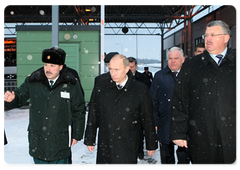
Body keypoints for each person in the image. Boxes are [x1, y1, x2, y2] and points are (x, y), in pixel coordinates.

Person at [2, 47, 86, 165]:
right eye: (46, 65)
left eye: (53, 66)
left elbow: (79, 110)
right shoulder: (33, 80)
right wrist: (12, 98)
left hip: (60, 141)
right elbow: (20, 96)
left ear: (61, 67)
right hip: (38, 141)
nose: (48, 69)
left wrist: (77, 134)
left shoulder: (71, 83)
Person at [170, 20, 237, 164]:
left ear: (226, 38)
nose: (208, 39)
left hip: (234, 135)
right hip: (202, 134)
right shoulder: (191, 65)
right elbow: (180, 100)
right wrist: (178, 132)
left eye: (213, 35)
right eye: (206, 35)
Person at [84, 54, 158, 165]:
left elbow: (147, 118)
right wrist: (90, 138)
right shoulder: (101, 87)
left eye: (117, 70)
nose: (113, 73)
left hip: (129, 141)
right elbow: (93, 113)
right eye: (110, 69)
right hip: (106, 141)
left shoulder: (139, 89)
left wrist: (151, 143)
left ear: (127, 68)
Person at [150, 47, 188, 165]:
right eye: (170, 58)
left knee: (184, 158)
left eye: (176, 58)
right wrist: (155, 122)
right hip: (165, 123)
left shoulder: (189, 75)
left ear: (183, 59)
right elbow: (153, 101)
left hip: (185, 125)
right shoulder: (159, 76)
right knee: (167, 159)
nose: (172, 61)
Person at [128, 56, 151, 159]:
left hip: (140, 110)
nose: (130, 69)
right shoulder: (120, 79)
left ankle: (139, 151)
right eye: (128, 66)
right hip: (126, 110)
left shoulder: (143, 78)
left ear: (136, 66)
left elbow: (148, 93)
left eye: (132, 67)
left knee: (139, 133)